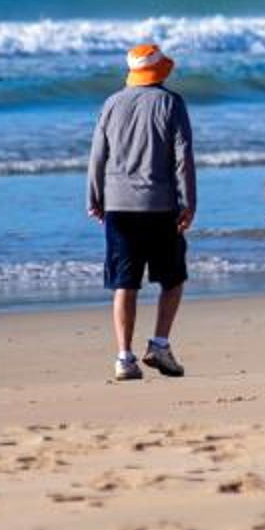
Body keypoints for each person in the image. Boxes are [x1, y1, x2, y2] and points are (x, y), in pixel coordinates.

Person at [88, 40, 197, 382]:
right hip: (160, 204)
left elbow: (97, 155)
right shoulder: (171, 102)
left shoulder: (111, 103)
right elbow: (183, 156)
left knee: (125, 282)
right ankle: (160, 343)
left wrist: (94, 197)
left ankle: (124, 356)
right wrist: (188, 201)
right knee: (173, 278)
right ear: (159, 72)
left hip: (118, 204)